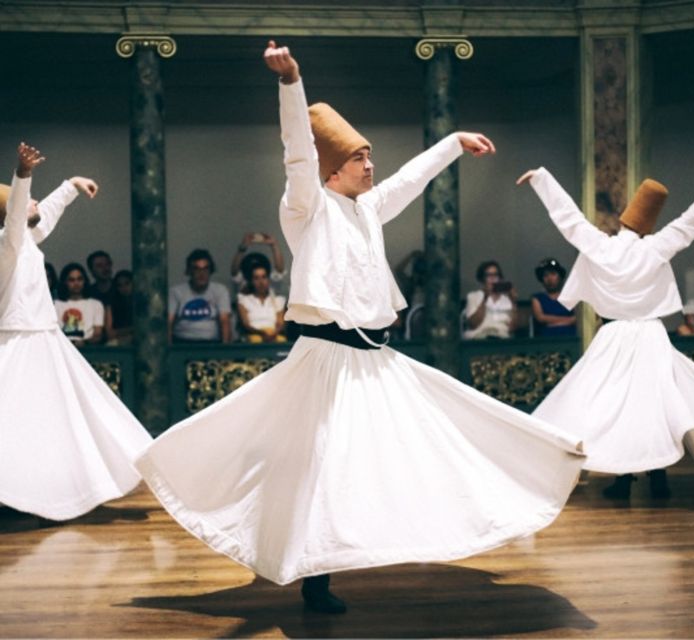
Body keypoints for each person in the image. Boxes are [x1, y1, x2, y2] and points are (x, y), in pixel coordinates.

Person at [136, 42, 584, 616]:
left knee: (429, 436)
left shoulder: (369, 207)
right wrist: (291, 82)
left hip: (376, 359)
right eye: (361, 159)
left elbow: (410, 179)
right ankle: (315, 576)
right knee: (319, 462)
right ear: (333, 169)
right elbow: (296, 152)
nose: (372, 167)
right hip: (325, 360)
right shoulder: (306, 206)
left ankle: (420, 527)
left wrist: (453, 142)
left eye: (371, 158)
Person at [517, 167, 694, 500]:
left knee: (613, 404)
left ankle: (623, 479)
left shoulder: (602, 247)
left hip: (615, 335)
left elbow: (570, 220)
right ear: (648, 224)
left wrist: (542, 179)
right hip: (650, 335)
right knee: (653, 405)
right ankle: (657, 475)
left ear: (623, 220)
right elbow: (688, 224)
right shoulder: (655, 248)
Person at [0, 142, 152, 520]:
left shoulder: (26, 243)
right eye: (27, 201)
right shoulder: (8, 243)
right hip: (19, 340)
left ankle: (43, 490)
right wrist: (22, 174)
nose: (35, 203)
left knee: (64, 415)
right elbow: (21, 215)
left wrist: (71, 185)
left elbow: (42, 216)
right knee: (16, 420)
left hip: (42, 339)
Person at [168, 249, 232, 343]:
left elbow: (225, 321)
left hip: (211, 343)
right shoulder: (175, 291)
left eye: (205, 269)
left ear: (210, 271)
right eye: (197, 269)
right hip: (182, 343)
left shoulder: (220, 290)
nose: (201, 274)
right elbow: (169, 322)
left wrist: (225, 350)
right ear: (189, 271)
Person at [463, 260, 519, 339]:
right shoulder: (473, 296)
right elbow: (473, 324)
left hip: (501, 337)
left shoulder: (507, 299)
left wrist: (513, 302)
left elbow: (513, 328)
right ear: (483, 278)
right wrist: (485, 297)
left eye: (495, 275)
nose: (492, 278)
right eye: (488, 275)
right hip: (478, 336)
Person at [54, 262, 105, 346]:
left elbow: (97, 334)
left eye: (80, 279)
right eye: (71, 280)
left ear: (85, 281)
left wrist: (84, 343)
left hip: (88, 350)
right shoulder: (55, 305)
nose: (76, 283)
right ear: (65, 282)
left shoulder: (96, 304)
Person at [236, 259, 286, 343]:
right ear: (251, 281)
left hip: (274, 336)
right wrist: (261, 333)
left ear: (268, 280)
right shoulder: (243, 300)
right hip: (253, 337)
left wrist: (272, 334)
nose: (261, 282)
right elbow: (246, 324)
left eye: (264, 277)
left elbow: (280, 324)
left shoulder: (278, 300)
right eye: (256, 278)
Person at [531, 257, 576, 337]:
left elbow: (576, 319)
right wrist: (567, 321)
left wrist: (553, 323)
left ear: (559, 276)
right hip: (547, 340)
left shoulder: (569, 297)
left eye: (553, 274)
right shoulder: (537, 298)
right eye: (545, 275)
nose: (550, 279)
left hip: (570, 338)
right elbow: (540, 318)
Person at [105, 269, 134, 345]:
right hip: (119, 341)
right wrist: (133, 329)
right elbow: (109, 334)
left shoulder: (142, 303)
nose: (124, 288)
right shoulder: (111, 304)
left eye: (127, 283)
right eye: (120, 285)